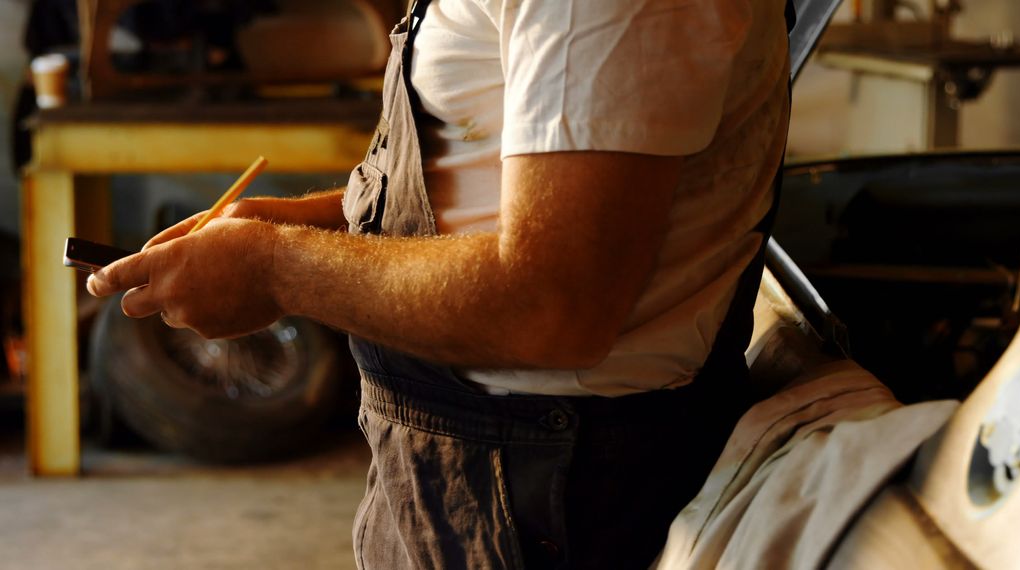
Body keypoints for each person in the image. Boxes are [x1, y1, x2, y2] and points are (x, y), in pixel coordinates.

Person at [88, 0, 792, 567]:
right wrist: (314, 222)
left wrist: (276, 266)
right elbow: (488, 174)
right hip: (472, 455)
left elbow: (551, 305)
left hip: (546, 487)